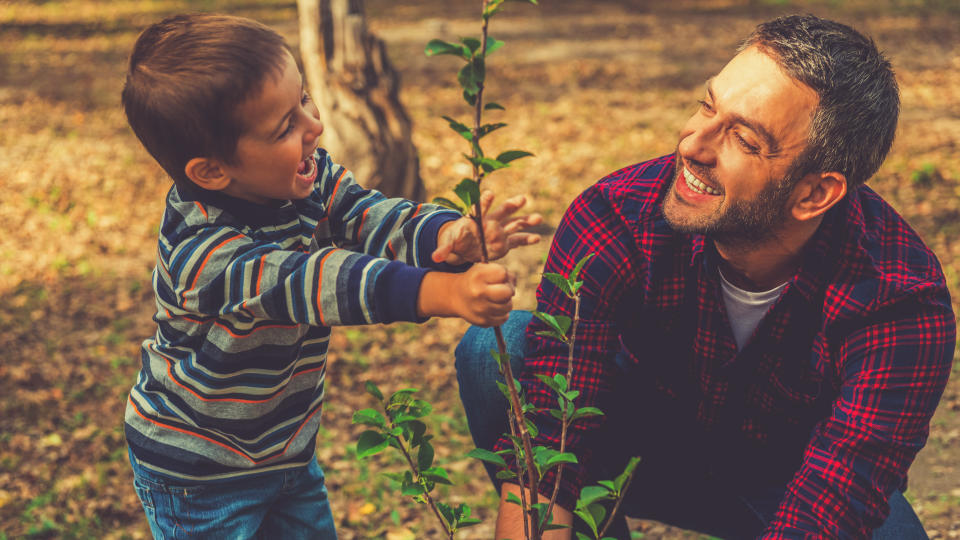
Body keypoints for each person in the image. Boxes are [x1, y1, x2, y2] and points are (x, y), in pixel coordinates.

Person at [456, 14, 955, 540]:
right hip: (638, 446)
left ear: (814, 194)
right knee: (501, 346)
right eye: (708, 106)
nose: (693, 145)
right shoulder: (617, 216)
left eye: (743, 138)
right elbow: (548, 451)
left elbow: (835, 505)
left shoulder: (900, 299)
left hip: (794, 479)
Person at [120, 13, 541, 539]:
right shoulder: (203, 255)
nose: (313, 127)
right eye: (284, 127)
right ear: (211, 172)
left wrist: (446, 239)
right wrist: (442, 292)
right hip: (200, 475)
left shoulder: (308, 176)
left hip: (286, 454)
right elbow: (313, 281)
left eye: (304, 102)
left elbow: (371, 215)